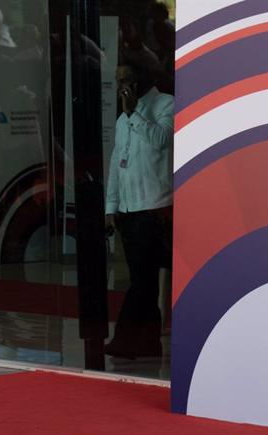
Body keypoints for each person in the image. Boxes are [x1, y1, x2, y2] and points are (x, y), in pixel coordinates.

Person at [104, 63, 174, 359]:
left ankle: (124, 341)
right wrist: (110, 206)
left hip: (155, 208)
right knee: (142, 281)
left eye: (127, 80)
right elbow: (116, 165)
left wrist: (136, 113)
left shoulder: (165, 104)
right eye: (118, 81)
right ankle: (149, 344)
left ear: (140, 80)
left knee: (140, 282)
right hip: (128, 209)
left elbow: (162, 141)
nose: (122, 86)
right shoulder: (122, 118)